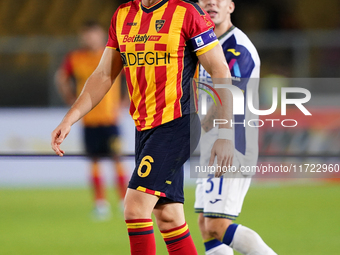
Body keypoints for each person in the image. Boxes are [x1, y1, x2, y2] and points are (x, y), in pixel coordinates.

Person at [51, 0, 234, 254]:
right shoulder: (123, 15)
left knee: (135, 207)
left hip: (177, 123)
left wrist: (226, 132)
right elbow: (104, 75)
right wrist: (69, 118)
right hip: (144, 129)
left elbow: (219, 69)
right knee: (169, 217)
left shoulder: (186, 12)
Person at [194, 0, 277, 254]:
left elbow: (233, 97)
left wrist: (202, 121)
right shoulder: (201, 44)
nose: (211, 2)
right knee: (206, 225)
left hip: (233, 143)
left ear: (230, 6)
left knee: (218, 224)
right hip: (213, 144)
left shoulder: (238, 47)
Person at [55, 21, 127, 219]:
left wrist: (124, 101)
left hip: (110, 119)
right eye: (86, 35)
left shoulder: (112, 54)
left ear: (101, 34)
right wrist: (71, 100)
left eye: (93, 34)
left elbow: (130, 75)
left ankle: (124, 202)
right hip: (89, 120)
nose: (90, 38)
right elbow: (61, 77)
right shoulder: (76, 57)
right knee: (94, 161)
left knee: (117, 159)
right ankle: (100, 204)